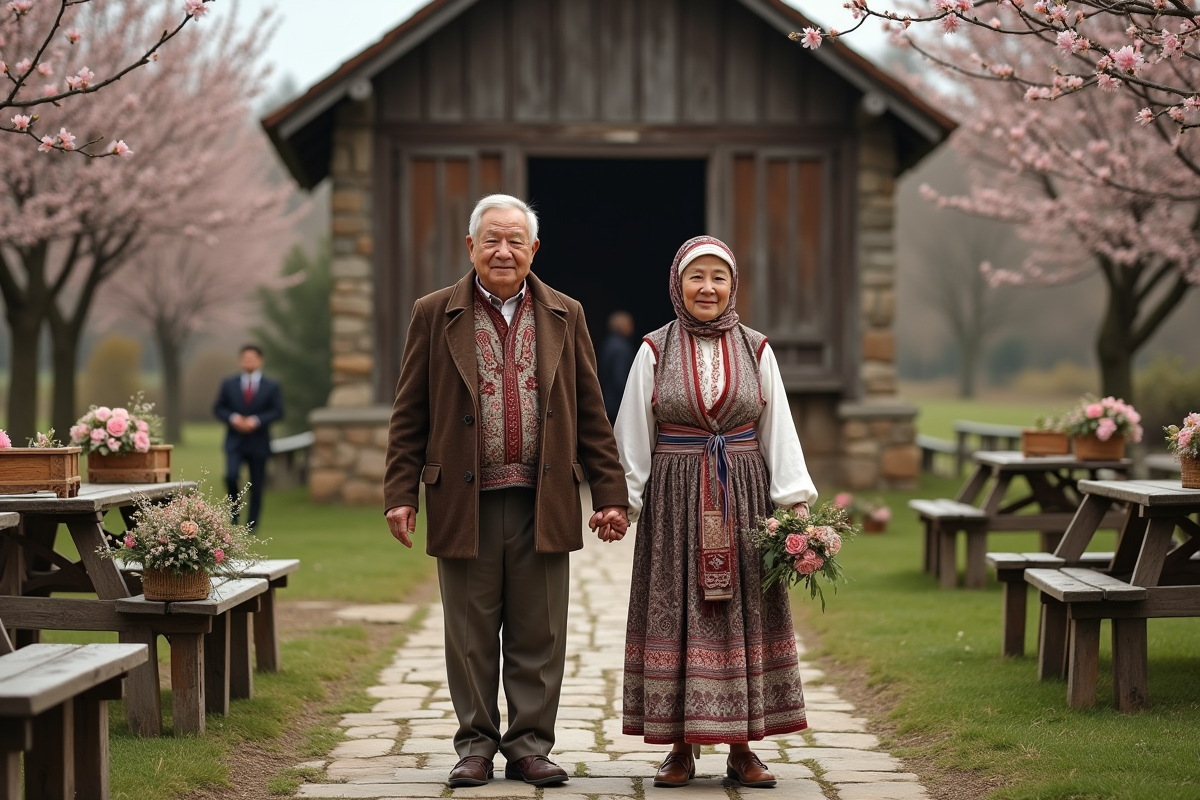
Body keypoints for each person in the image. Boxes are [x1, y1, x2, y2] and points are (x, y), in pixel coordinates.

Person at [383, 194, 629, 789]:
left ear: (533, 249)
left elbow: (591, 411)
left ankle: (529, 746)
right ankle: (474, 746)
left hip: (541, 501)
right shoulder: (434, 312)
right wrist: (401, 492)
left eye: (515, 240)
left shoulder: (565, 314)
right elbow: (409, 410)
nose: (503, 250)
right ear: (470, 247)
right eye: (491, 239)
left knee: (539, 632)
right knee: (469, 633)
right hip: (462, 503)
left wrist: (610, 493)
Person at [613, 235, 817, 789]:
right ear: (678, 284)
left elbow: (779, 431)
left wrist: (794, 508)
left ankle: (742, 746)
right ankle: (678, 746)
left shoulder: (757, 349)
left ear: (732, 287)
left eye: (718, 278)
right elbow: (633, 433)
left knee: (742, 615)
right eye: (696, 277)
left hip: (744, 501)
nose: (708, 288)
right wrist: (622, 503)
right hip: (675, 506)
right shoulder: (654, 349)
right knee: (679, 613)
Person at [213, 344, 284, 531]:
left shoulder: (271, 386)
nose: (248, 362)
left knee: (256, 484)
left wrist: (256, 421)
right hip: (235, 440)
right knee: (231, 476)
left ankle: (252, 524)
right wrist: (234, 418)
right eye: (245, 358)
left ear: (260, 361)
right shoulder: (229, 383)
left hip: (258, 441)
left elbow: (278, 411)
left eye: (252, 358)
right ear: (240, 360)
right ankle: (234, 514)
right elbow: (219, 408)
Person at [598, 310, 637, 424]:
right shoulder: (621, 348)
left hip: (607, 401)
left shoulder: (607, 344)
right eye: (629, 324)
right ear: (622, 326)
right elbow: (620, 378)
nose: (632, 327)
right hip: (618, 404)